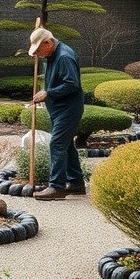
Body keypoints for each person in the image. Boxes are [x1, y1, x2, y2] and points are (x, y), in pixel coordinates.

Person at [28, 27, 86, 200]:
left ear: (48, 42)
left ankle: (56, 187)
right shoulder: (53, 55)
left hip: (68, 109)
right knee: (66, 145)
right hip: (60, 108)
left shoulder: (64, 56)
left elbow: (72, 84)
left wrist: (49, 93)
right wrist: (47, 92)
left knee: (57, 145)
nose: (38, 54)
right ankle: (76, 183)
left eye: (39, 50)